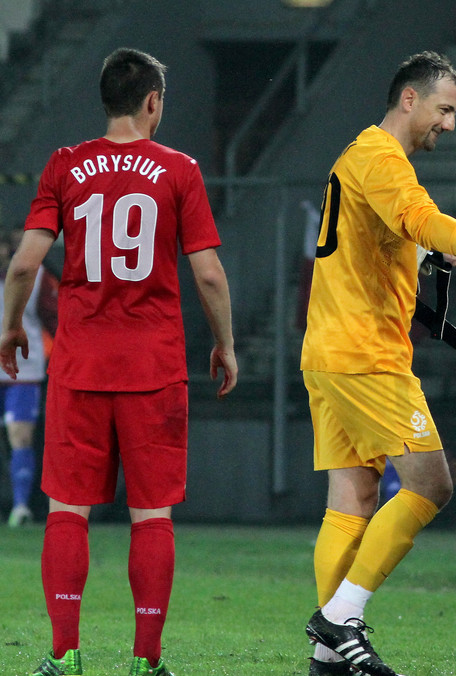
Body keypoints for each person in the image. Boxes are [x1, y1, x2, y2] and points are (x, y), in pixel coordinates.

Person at [0, 47, 238, 676]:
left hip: (79, 367)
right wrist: (225, 344)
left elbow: (24, 263)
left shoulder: (64, 166)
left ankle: (64, 653)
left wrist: (7, 329)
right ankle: (145, 659)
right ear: (152, 101)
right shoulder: (179, 170)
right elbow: (209, 276)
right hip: (153, 370)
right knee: (151, 515)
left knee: (67, 511)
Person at [300, 51, 456, 676]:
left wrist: (429, 261)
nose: (451, 123)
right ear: (410, 99)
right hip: (364, 356)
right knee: (432, 483)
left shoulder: (363, 157)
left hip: (329, 350)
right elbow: (419, 218)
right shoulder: (381, 158)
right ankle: (340, 617)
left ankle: (329, 655)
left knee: (353, 494)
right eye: (445, 108)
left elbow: (390, 237)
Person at [0, 230, 56, 528]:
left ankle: (21, 506)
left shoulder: (38, 277)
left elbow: (56, 318)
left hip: (22, 370)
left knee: (21, 436)